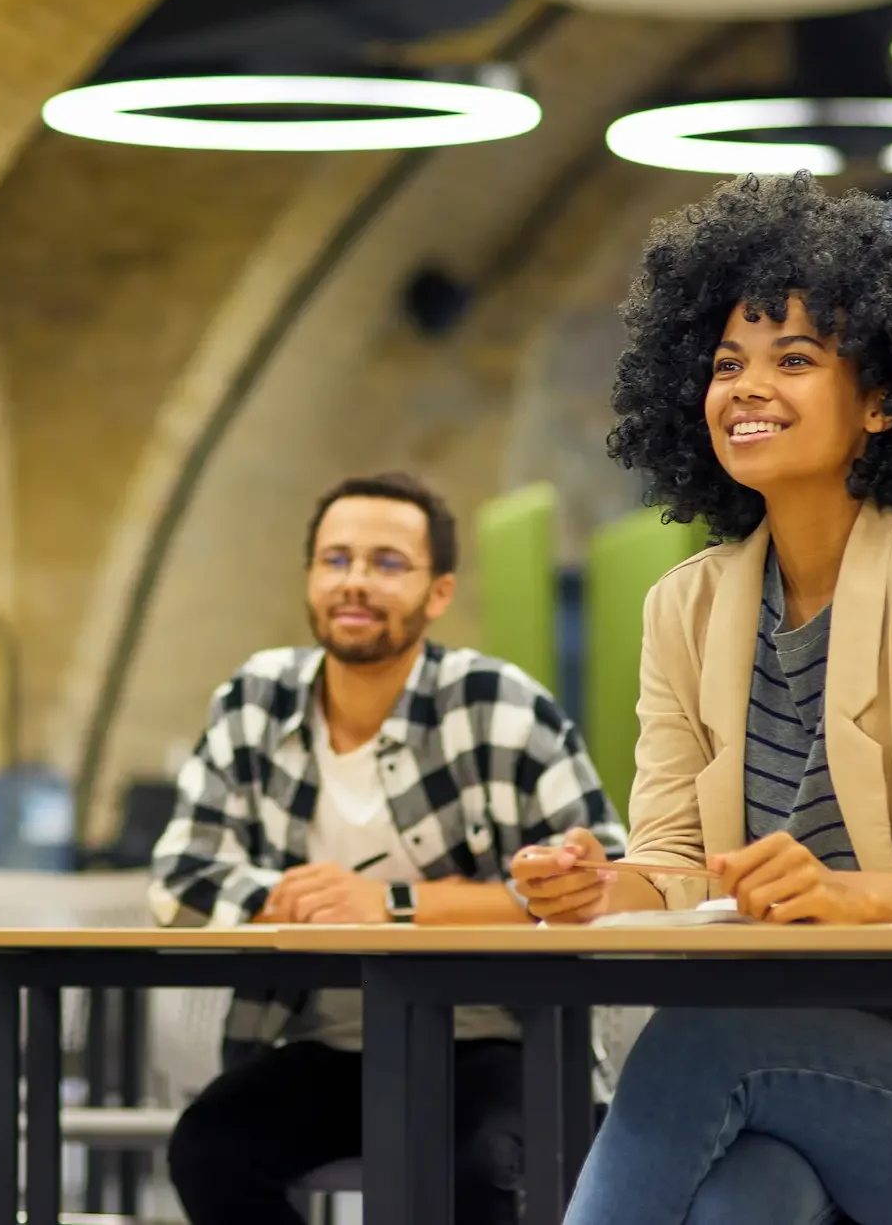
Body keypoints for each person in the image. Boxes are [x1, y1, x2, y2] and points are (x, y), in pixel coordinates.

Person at [510, 174, 892, 1225]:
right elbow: (663, 865)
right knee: (747, 1201)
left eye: (793, 359)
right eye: (723, 363)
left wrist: (850, 896)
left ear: (879, 398)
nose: (746, 387)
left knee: (706, 1037)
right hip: (776, 1082)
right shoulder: (683, 608)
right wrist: (594, 885)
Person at [151, 471, 626, 1225]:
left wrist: (390, 904)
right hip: (325, 1046)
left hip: (495, 1042)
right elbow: (180, 875)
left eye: (386, 563)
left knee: (474, 1165)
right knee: (207, 1150)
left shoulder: (498, 705)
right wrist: (292, 898)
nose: (355, 583)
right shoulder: (251, 700)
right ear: (309, 577)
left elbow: (604, 881)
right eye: (335, 560)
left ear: (438, 593)